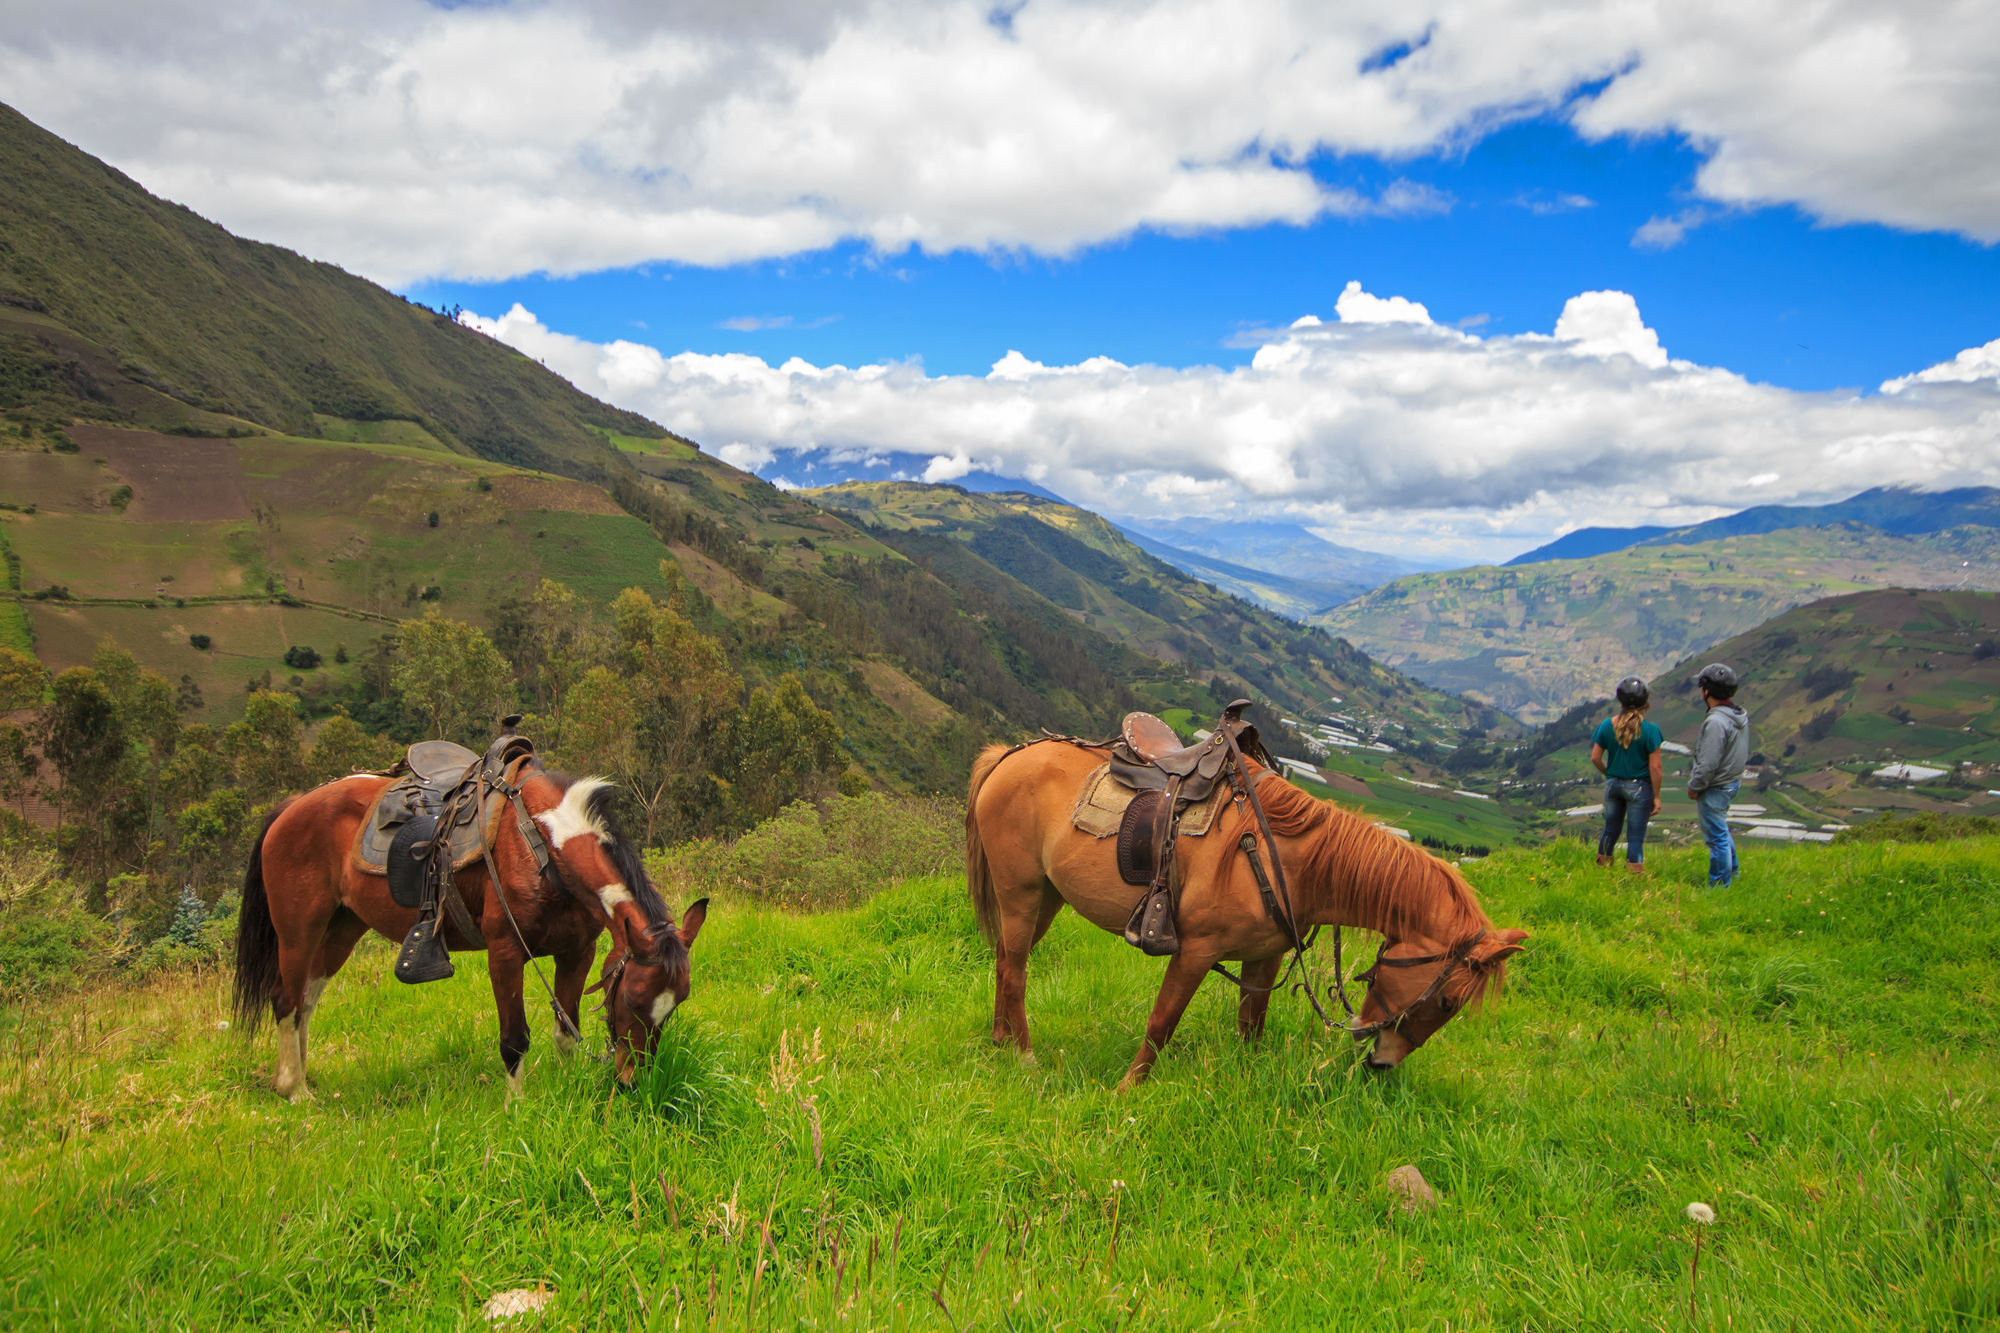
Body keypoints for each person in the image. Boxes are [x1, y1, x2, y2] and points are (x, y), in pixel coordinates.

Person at [1590, 676, 1663, 874]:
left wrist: (1609, 774)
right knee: (1635, 836)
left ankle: (1602, 869)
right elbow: (1655, 767)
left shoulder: (1607, 726)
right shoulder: (1650, 730)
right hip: (1639, 787)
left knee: (1610, 829)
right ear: (1644, 701)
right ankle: (1634, 875)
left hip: (1614, 785)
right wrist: (1656, 796)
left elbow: (1595, 757)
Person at [1687, 662, 1750, 886]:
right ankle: (1733, 874)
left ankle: (1720, 885)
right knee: (1721, 831)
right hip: (1731, 782)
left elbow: (1708, 762)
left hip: (1715, 786)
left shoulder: (1715, 721)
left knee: (1716, 839)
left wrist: (1695, 786)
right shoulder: (1738, 715)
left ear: (1706, 691)